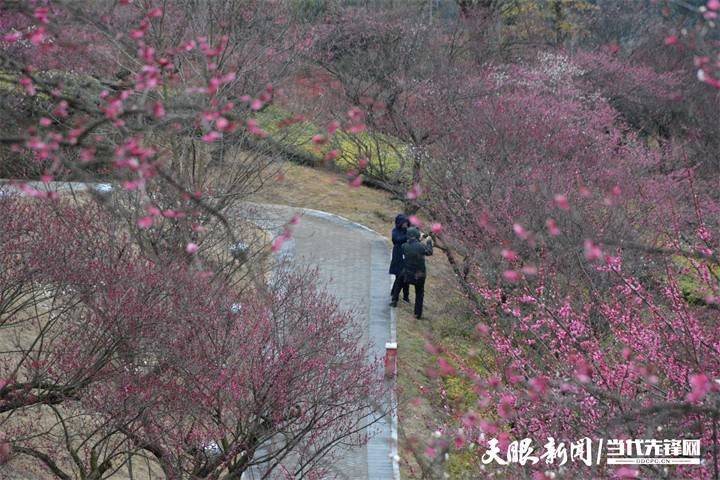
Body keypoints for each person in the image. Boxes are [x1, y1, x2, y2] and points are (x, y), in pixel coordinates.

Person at [390, 227, 432, 319]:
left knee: (398, 283)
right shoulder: (422, 247)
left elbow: (413, 245)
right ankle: (417, 314)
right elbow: (429, 252)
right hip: (419, 275)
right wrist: (428, 242)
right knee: (419, 293)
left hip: (407, 272)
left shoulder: (404, 246)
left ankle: (394, 300)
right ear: (416, 236)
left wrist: (417, 239)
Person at [389, 213, 410, 303]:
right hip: (398, 254)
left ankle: (405, 296)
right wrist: (407, 237)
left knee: (406, 276)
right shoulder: (395, 231)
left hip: (406, 255)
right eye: (404, 223)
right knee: (399, 275)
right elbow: (396, 239)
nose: (405, 224)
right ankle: (394, 293)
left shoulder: (408, 230)